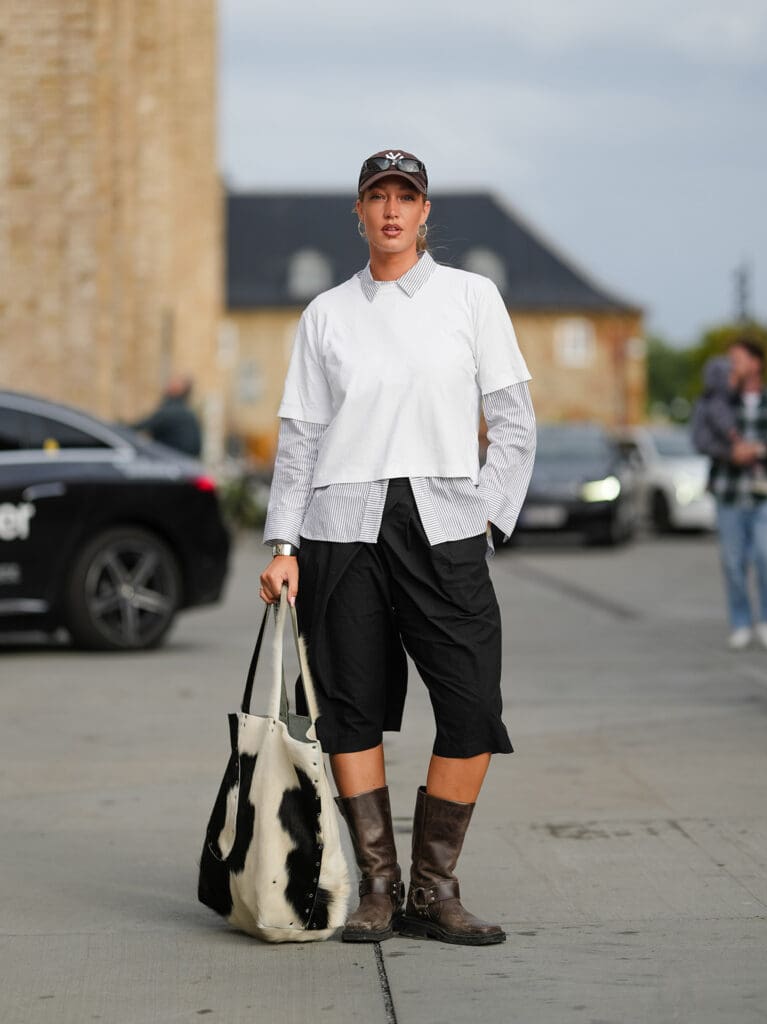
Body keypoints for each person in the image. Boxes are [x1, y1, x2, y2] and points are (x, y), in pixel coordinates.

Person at [258, 149, 536, 947]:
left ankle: (433, 889)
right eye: (376, 196)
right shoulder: (326, 313)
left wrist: (486, 520)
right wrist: (283, 541)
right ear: (358, 212)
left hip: (443, 525)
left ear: (423, 212)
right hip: (339, 531)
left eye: (403, 197)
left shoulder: (470, 297)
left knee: (472, 707)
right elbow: (300, 439)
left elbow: (513, 422)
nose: (390, 210)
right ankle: (379, 888)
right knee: (349, 709)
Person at [694, 339, 767, 651]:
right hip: (729, 493)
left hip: (766, 496)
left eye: (738, 359)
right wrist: (730, 453)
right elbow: (701, 438)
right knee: (732, 563)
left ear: (756, 363)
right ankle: (740, 622)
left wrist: (759, 450)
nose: (731, 366)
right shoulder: (720, 400)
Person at [131, 374, 202, 457]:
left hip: (171, 459)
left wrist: (121, 429)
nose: (168, 385)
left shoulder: (171, 411)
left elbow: (140, 426)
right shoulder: (186, 411)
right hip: (182, 460)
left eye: (174, 383)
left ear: (180, 389)